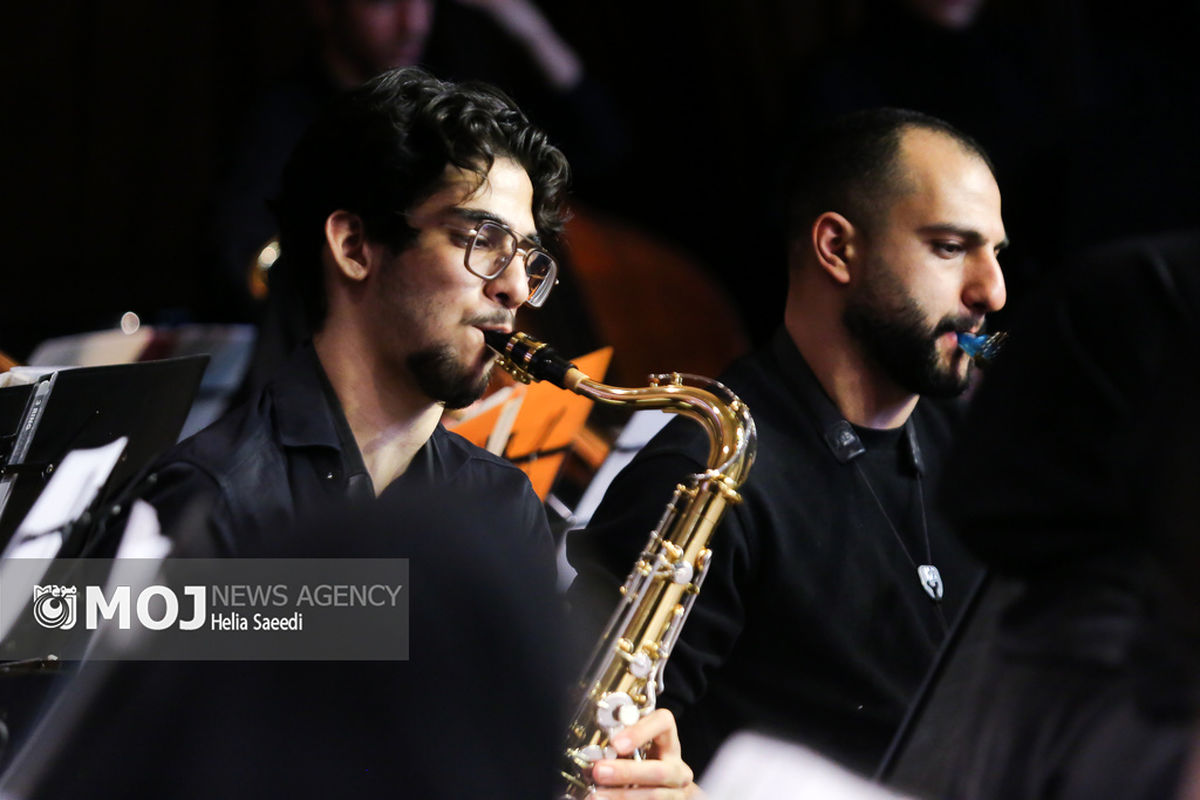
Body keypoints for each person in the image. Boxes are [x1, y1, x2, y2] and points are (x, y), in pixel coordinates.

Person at [142, 67, 695, 797]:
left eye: (529, 259)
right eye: (482, 239)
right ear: (355, 245)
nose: (516, 289)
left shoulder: (502, 503)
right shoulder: (209, 497)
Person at [567, 108, 1007, 778]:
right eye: (950, 247)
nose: (992, 291)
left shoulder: (972, 442)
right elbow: (596, 760)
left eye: (996, 253)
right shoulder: (701, 472)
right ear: (837, 248)